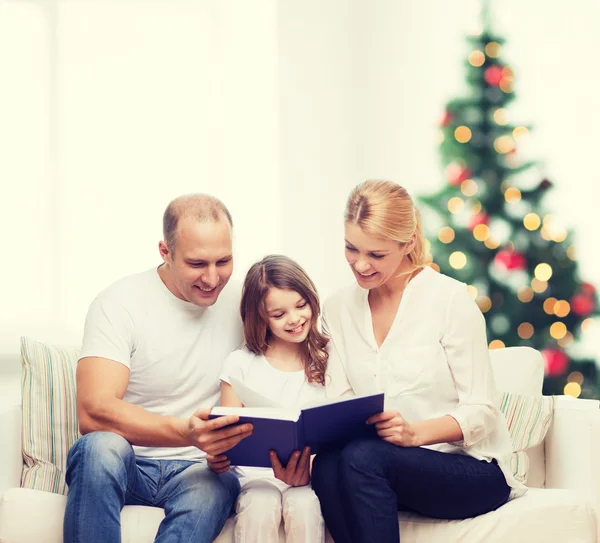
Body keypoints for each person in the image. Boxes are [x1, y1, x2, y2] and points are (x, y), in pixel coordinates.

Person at [311, 180, 527, 543]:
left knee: (364, 457)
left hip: (471, 469)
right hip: (379, 465)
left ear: (408, 242)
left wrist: (415, 434)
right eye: (351, 248)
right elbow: (342, 401)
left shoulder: (450, 301)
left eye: (376, 255)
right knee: (329, 464)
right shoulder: (337, 308)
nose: (360, 265)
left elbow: (483, 410)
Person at [63, 194, 253, 543]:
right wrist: (185, 431)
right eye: (197, 264)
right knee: (99, 448)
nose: (212, 278)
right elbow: (94, 412)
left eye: (223, 261)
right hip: (129, 462)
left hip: (201, 469)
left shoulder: (246, 303)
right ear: (165, 252)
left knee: (215, 485)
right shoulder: (119, 302)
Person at [208, 254, 327, 543]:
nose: (295, 319)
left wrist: (309, 470)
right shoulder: (240, 364)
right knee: (260, 503)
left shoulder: (327, 359)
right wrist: (216, 457)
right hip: (255, 478)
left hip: (308, 477)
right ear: (260, 317)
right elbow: (224, 434)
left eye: (301, 306)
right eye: (279, 314)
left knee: (305, 504)